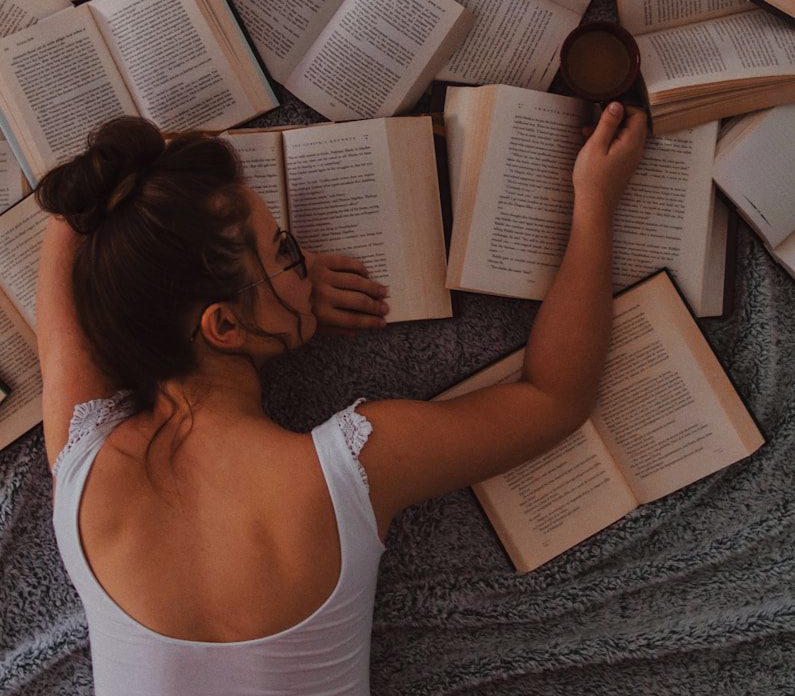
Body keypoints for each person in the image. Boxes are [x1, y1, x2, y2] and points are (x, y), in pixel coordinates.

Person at [36, 102, 646, 696]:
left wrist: (271, 305)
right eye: (286, 254)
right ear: (222, 327)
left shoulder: (81, 458)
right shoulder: (350, 469)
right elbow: (554, 398)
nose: (303, 261)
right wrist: (596, 204)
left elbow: (72, 215)